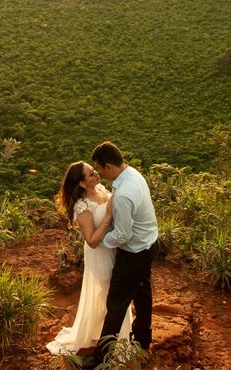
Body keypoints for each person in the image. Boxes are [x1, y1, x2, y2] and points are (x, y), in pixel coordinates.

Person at [81, 141, 158, 370]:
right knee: (143, 292)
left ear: (108, 166)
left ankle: (101, 358)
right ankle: (143, 340)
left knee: (116, 303)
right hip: (148, 244)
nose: (99, 174)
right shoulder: (132, 174)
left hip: (134, 252)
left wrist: (98, 242)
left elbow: (123, 235)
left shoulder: (123, 193)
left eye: (99, 169)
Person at [46, 161, 134, 356]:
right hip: (100, 254)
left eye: (94, 170)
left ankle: (112, 333)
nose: (97, 174)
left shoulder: (101, 188)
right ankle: (113, 339)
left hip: (115, 247)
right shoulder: (82, 206)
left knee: (113, 293)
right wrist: (108, 217)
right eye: (91, 174)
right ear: (82, 184)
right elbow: (92, 241)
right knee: (111, 294)